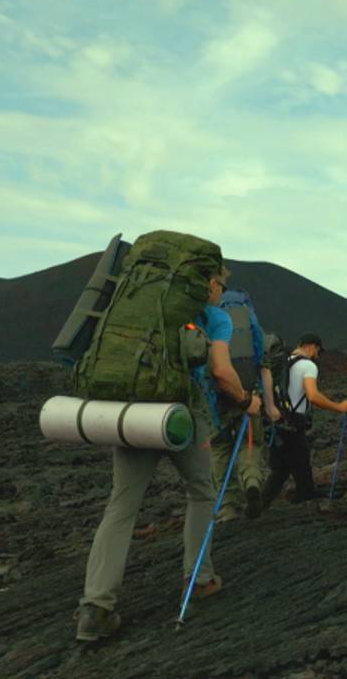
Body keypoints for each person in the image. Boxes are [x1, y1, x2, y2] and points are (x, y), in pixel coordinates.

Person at [75, 265, 262, 642]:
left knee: (122, 505)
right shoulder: (215, 317)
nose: (220, 291)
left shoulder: (137, 309)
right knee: (201, 492)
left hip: (135, 412)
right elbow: (221, 372)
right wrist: (246, 400)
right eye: (220, 284)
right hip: (182, 415)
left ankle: (96, 606)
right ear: (210, 283)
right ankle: (200, 579)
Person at [208, 294, 280, 522]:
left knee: (220, 451)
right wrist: (270, 406)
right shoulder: (253, 328)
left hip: (217, 403)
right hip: (250, 400)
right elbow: (265, 370)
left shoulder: (211, 322)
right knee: (250, 445)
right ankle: (251, 482)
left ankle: (227, 507)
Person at [262, 333, 347, 504]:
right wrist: (338, 407)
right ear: (312, 346)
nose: (317, 355)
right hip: (294, 422)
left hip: (276, 420)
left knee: (280, 470)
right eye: (318, 351)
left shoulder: (283, 363)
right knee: (302, 464)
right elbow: (313, 395)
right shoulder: (308, 366)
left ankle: (258, 506)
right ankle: (306, 500)